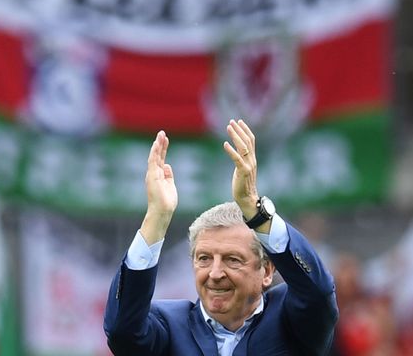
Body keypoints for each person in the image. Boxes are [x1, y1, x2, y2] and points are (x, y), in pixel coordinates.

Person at [103, 119, 339, 356]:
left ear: (267, 271)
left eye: (232, 259)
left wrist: (254, 210)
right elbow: (122, 331)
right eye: (204, 258)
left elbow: (317, 294)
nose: (215, 274)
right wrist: (156, 217)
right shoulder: (168, 326)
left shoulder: (289, 321)